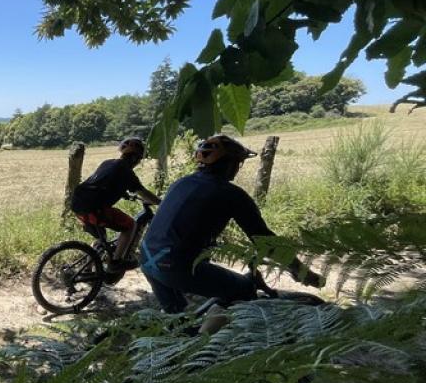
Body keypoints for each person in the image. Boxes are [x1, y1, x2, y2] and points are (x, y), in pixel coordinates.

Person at [140, 134, 324, 313]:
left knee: (179, 318)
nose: (238, 168)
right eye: (238, 163)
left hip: (147, 257)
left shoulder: (181, 183)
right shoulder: (230, 193)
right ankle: (209, 338)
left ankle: (185, 335)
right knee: (243, 290)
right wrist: (301, 271)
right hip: (174, 266)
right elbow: (265, 240)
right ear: (229, 164)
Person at [70, 137, 161, 270]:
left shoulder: (108, 163)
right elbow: (143, 192)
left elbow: (104, 182)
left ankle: (87, 271)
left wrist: (124, 194)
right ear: (135, 158)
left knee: (101, 240)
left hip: (78, 204)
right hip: (95, 209)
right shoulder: (126, 171)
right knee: (130, 225)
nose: (138, 162)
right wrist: (160, 202)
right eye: (139, 159)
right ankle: (116, 262)